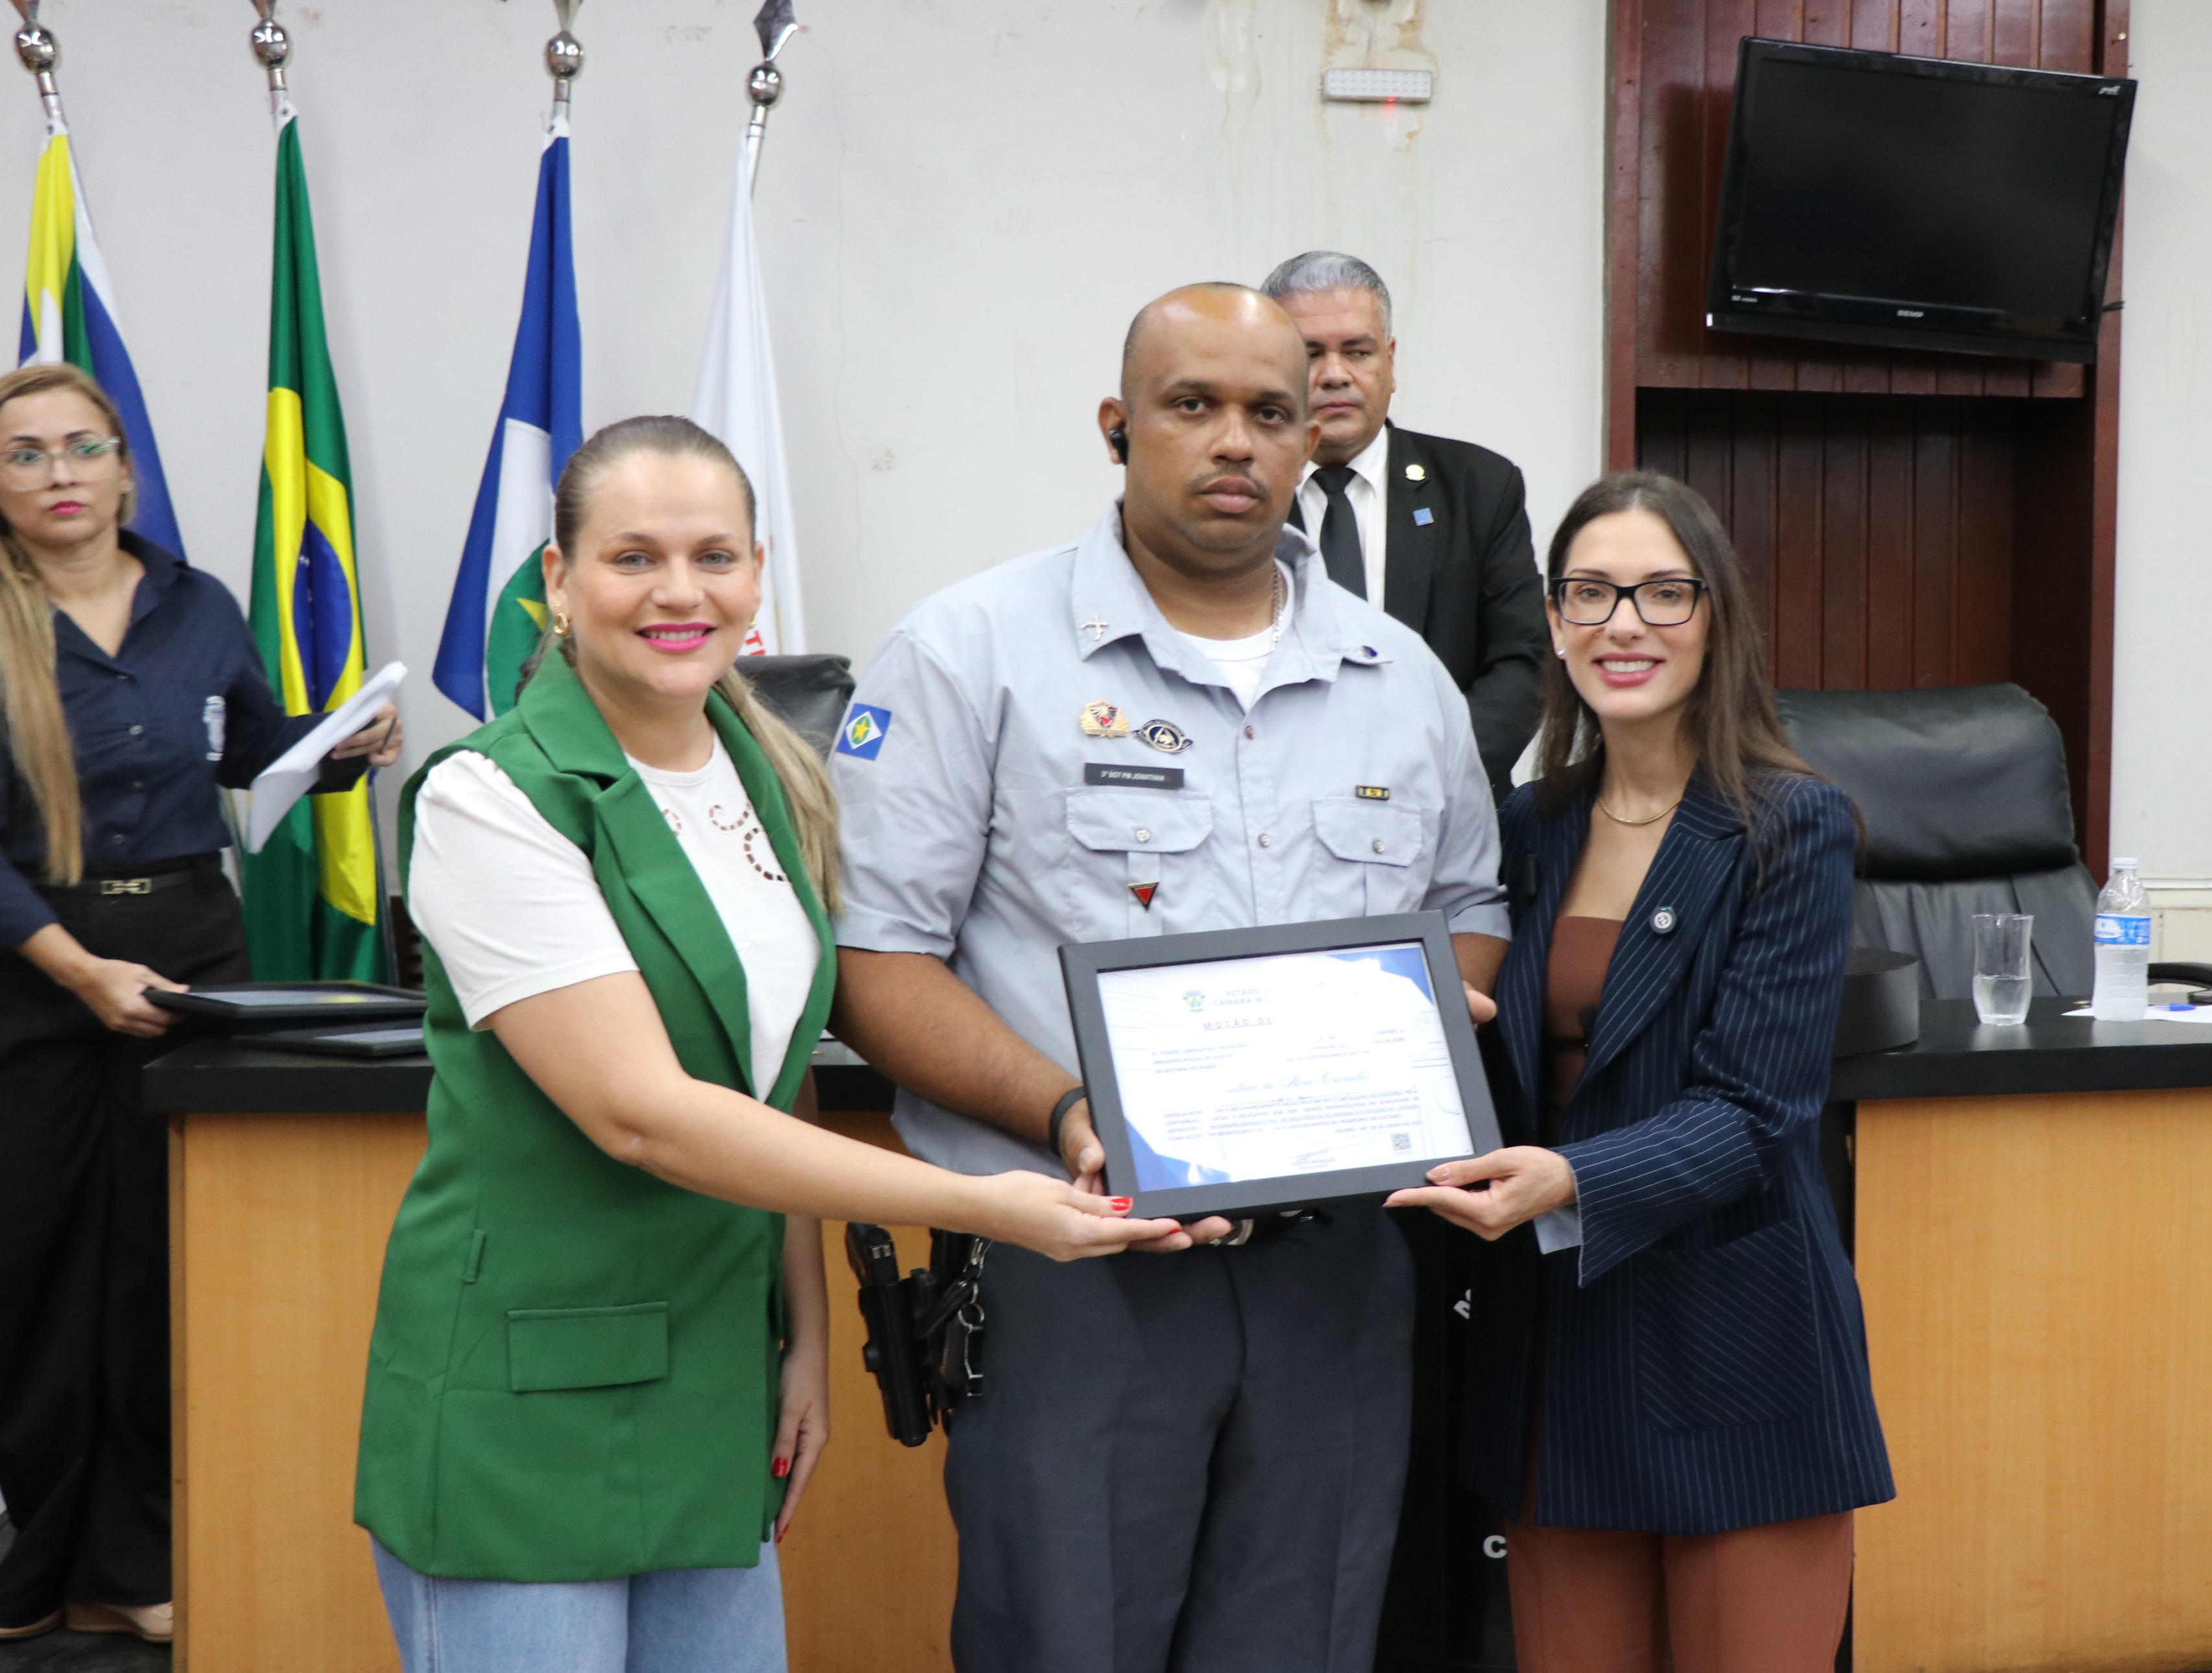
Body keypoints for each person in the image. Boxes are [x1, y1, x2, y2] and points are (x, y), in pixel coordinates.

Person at [353, 415, 1178, 1673]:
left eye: (713, 556)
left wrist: (803, 1335)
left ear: (757, 574)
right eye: (633, 558)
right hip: (527, 1395)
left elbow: (772, 1077)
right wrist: (988, 1207)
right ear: (560, 582)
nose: (679, 592)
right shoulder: (493, 794)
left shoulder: (763, 767)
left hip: (711, 1372)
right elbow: (645, 1113)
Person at [830, 283, 1508, 1673]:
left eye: (1270, 411)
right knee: (1068, 1640)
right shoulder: (969, 650)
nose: (1234, 442)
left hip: (1334, 1270)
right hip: (1079, 1259)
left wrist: (1415, 1035)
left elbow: (1468, 914)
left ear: (1312, 439)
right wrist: (1073, 1112)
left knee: (1307, 1640)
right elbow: (872, 960)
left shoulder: (1403, 679)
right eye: (1192, 405)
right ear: (1118, 425)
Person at [1389, 471, 1894, 1673]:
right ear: (1554, 623)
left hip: (1733, 1340)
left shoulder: (1790, 824)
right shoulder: (1526, 826)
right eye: (1591, 593)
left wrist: (1568, 1180)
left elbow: (1755, 1111)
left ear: (1716, 617)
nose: (1625, 624)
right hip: (1551, 1351)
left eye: (1664, 592)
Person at [0, 364, 401, 1647]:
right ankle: (34, 1571)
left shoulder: (200, 603)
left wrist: (333, 749)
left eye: (83, 447)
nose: (59, 474)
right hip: (34, 966)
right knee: (35, 1275)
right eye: (25, 453)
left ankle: (131, 1563)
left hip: (191, 954)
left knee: (165, 1272)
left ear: (126, 468)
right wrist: (79, 969)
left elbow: (241, 752)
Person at [1260, 250, 1546, 798]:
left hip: (1445, 806)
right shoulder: (1238, 495)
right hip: (1276, 810)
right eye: (1310, 354)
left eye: (1358, 351)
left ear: (1389, 362)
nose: (1335, 374)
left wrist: (1417, 774)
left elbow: (1523, 660)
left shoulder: (1479, 487)